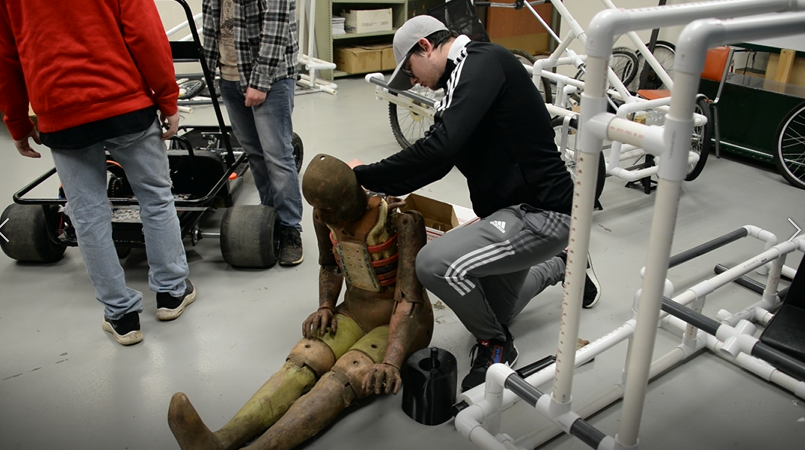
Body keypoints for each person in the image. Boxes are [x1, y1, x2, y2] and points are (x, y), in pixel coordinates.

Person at [352, 15, 601, 392]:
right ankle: (562, 263)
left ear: (424, 46)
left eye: (411, 71)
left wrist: (365, 175)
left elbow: (439, 149)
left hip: (542, 212)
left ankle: (496, 345)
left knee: (434, 264)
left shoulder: (483, 63)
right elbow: (439, 159)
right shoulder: (460, 81)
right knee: (496, 311)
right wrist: (386, 186)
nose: (414, 81)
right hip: (508, 214)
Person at [167, 154, 434, 450]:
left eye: (329, 208)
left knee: (347, 373)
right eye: (318, 208)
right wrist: (325, 307)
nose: (323, 216)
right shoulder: (323, 216)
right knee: (303, 359)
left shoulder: (402, 220)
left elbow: (409, 299)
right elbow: (330, 266)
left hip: (403, 321)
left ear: (347, 197)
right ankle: (221, 440)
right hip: (355, 311)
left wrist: (391, 361)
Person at [0, 0, 196, 346]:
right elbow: (145, 34)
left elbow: (8, 56)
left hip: (61, 114)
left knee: (88, 213)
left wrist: (17, 122)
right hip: (124, 103)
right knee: (155, 197)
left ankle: (121, 315)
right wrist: (167, 97)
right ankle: (171, 293)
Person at [201, 0, 304, 266]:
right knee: (255, 154)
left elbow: (276, 27)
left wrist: (260, 82)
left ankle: (291, 229)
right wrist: (211, 70)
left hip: (269, 79)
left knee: (277, 154)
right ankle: (270, 217)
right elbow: (212, 24)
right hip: (229, 77)